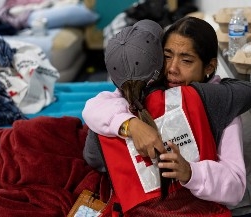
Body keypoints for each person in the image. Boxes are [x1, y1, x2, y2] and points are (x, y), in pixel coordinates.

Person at [82, 18, 251, 216]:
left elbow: (235, 189)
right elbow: (95, 106)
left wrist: (190, 172)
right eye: (167, 56)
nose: (172, 69)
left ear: (209, 67)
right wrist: (130, 125)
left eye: (186, 60)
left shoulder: (221, 107)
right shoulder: (150, 87)